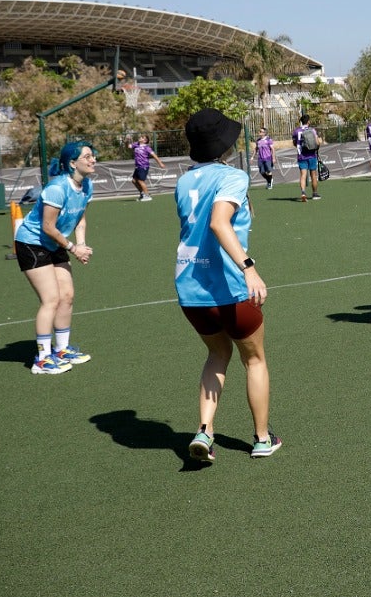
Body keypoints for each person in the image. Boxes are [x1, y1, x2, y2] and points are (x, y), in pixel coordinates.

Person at [176, 109, 278, 463]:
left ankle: (204, 430)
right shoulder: (232, 176)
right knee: (255, 361)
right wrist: (249, 268)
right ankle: (262, 438)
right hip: (230, 287)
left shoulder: (184, 180)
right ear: (225, 143)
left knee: (217, 354)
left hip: (190, 289)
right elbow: (220, 224)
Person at [13, 141, 97, 375]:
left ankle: (61, 350)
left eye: (93, 156)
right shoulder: (57, 188)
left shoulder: (87, 185)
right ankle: (42, 359)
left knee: (67, 296)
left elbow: (80, 218)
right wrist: (72, 247)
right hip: (32, 242)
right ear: (72, 163)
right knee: (50, 299)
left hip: (57, 242)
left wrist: (81, 244)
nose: (93, 160)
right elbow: (48, 226)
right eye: (87, 156)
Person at [292, 114, 321, 202]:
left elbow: (294, 143)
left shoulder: (296, 131)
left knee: (303, 175)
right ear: (308, 121)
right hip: (312, 155)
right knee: (313, 175)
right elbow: (317, 142)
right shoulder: (312, 130)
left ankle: (303, 193)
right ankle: (315, 193)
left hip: (301, 156)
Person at [130, 134, 165, 202]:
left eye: (142, 137)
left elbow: (154, 155)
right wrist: (127, 141)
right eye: (140, 137)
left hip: (143, 166)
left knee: (140, 181)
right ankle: (142, 194)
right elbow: (129, 146)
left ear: (145, 141)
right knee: (134, 181)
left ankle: (147, 196)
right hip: (137, 167)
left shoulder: (147, 148)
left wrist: (160, 163)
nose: (140, 137)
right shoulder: (136, 144)